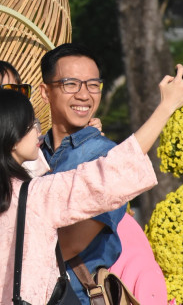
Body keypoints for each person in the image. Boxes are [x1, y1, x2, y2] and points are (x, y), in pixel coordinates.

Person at [0, 65, 183, 304]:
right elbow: (111, 175)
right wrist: (165, 107)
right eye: (30, 125)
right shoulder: (37, 195)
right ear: (9, 139)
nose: (37, 130)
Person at [38, 43, 168, 304]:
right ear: (45, 92)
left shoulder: (106, 155)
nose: (84, 95)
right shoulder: (33, 152)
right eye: (71, 84)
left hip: (74, 297)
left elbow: (70, 244)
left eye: (93, 85)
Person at [0, 59, 101, 177]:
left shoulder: (33, 142)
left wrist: (81, 133)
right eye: (9, 90)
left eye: (21, 90)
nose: (17, 98)